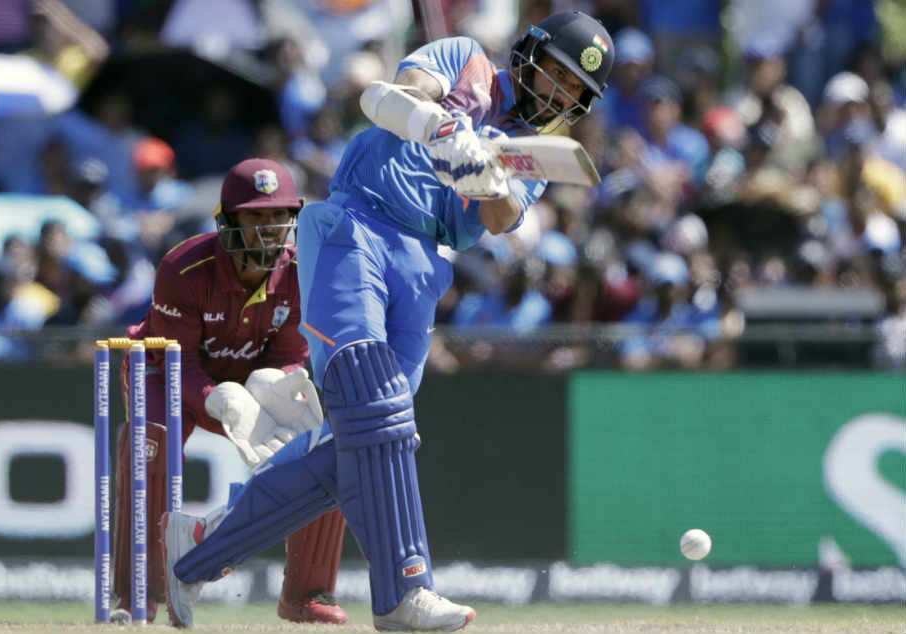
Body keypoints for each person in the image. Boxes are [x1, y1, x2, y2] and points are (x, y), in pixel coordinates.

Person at [160, 11, 615, 631]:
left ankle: (199, 546)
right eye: (557, 75)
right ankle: (406, 588)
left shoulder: (532, 149)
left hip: (424, 265)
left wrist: (486, 176)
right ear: (530, 56)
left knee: (365, 439)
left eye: (574, 91)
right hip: (358, 226)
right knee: (374, 405)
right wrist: (443, 126)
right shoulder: (466, 60)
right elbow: (386, 98)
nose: (560, 95)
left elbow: (502, 219)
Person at [111, 158, 347, 625]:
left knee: (325, 453)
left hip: (246, 382)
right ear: (228, 220)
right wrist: (216, 398)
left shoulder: (303, 269)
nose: (269, 227)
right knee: (149, 446)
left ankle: (306, 593)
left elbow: (288, 353)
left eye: (278, 215)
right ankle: (138, 594)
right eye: (255, 216)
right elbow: (179, 362)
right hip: (161, 371)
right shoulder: (184, 267)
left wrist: (276, 383)